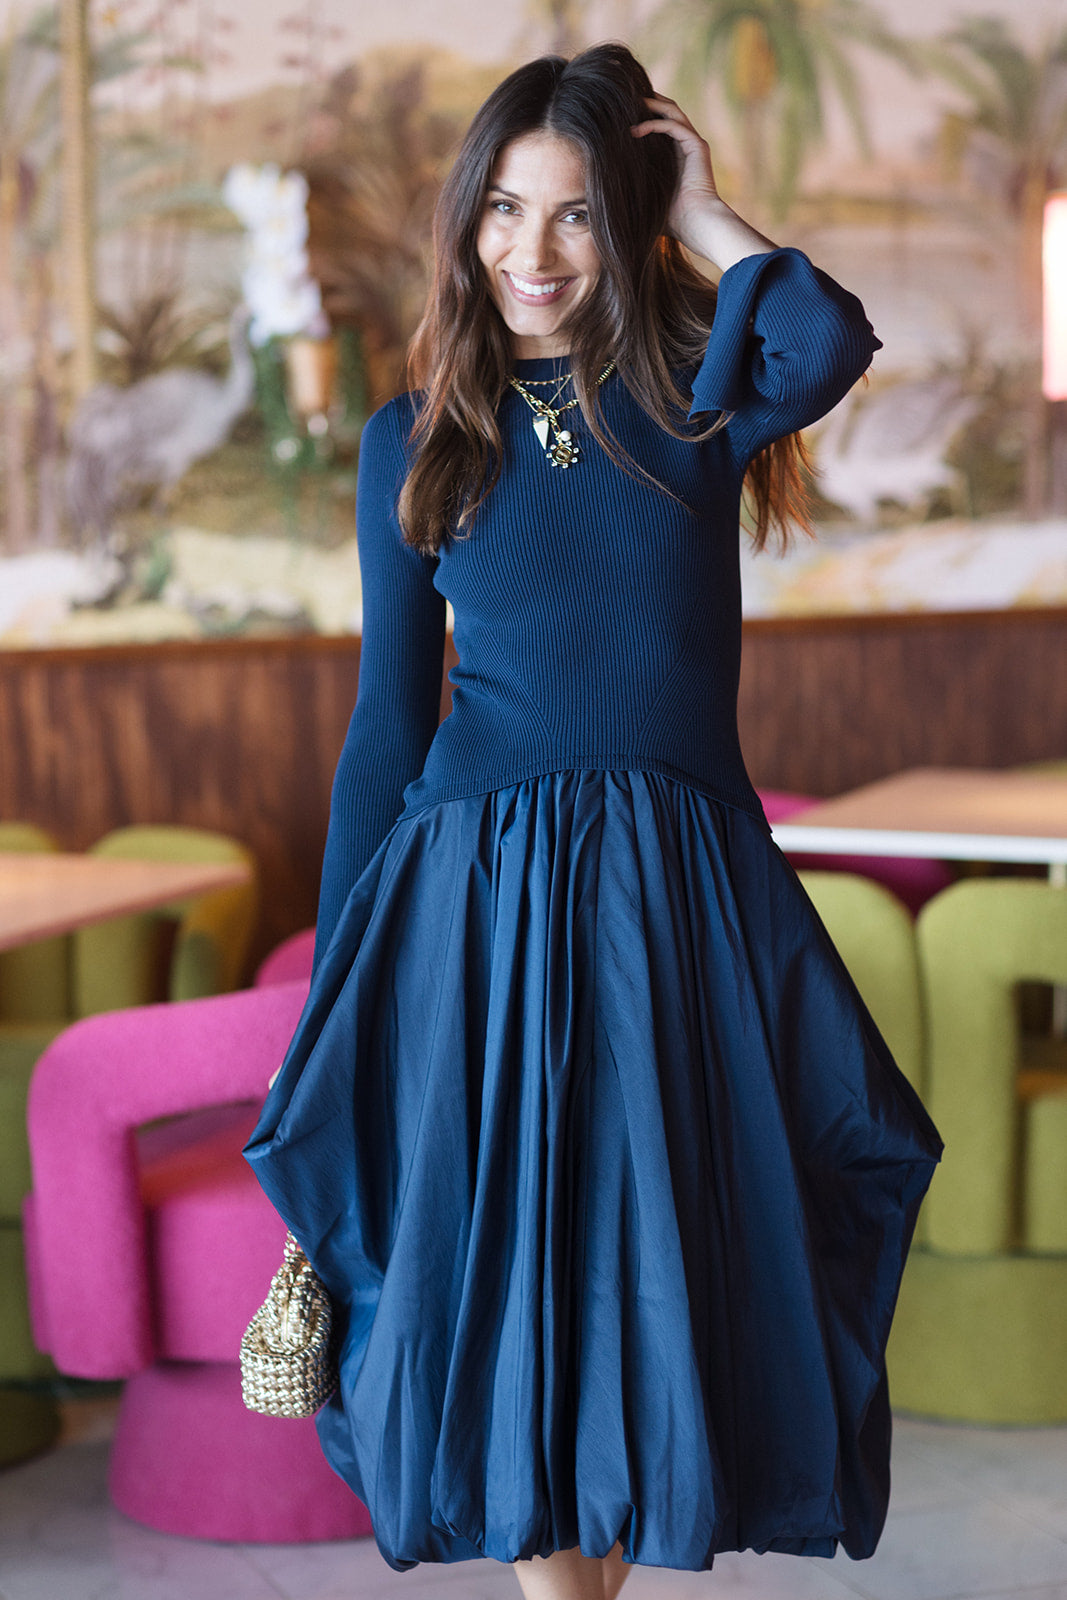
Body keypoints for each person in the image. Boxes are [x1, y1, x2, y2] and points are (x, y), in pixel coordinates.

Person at [245, 42, 942, 1600]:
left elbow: (826, 336)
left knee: (644, 1304)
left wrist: (695, 197)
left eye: (573, 214)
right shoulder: (413, 444)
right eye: (503, 211)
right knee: (523, 1323)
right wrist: (344, 987)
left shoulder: (695, 408)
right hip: (477, 912)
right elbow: (386, 728)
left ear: (622, 228)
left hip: (672, 909)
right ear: (464, 223)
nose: (533, 254)